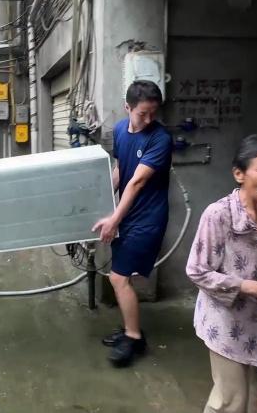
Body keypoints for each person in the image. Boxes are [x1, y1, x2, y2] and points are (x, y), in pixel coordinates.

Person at [185, 135, 257, 413]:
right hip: (227, 325)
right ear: (239, 174)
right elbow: (197, 271)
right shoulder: (219, 215)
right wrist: (255, 288)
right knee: (230, 401)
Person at [92, 80, 173, 367]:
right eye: (143, 114)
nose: (149, 120)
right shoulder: (118, 131)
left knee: (118, 278)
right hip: (127, 215)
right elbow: (120, 171)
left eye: (154, 113)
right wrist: (100, 205)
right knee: (120, 277)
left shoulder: (160, 138)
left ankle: (134, 337)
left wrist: (115, 218)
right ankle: (129, 326)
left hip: (146, 219)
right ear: (127, 108)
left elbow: (138, 181)